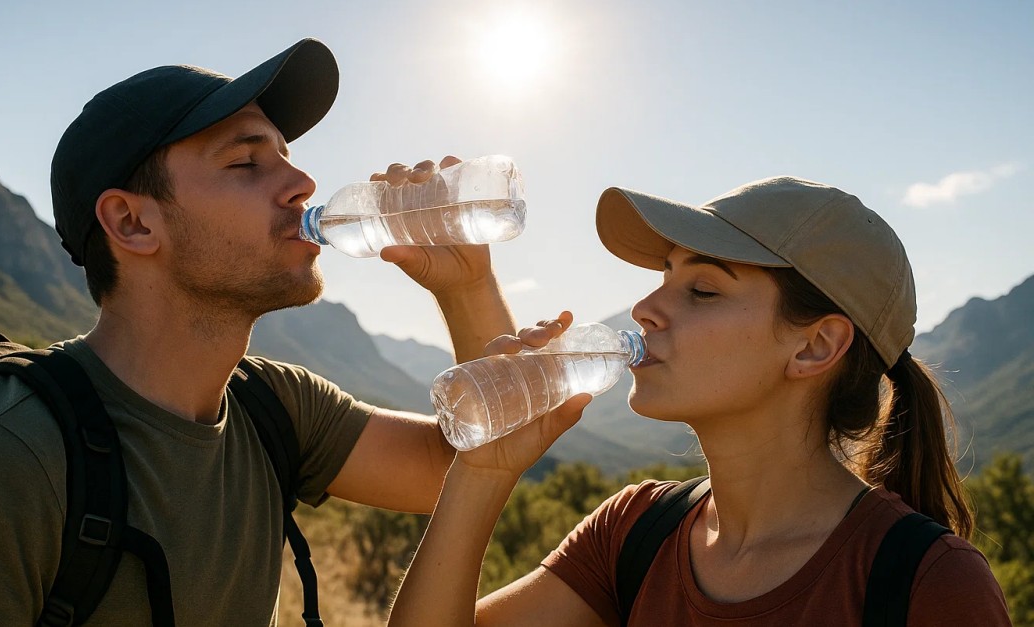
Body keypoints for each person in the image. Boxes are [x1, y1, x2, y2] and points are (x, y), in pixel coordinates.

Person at [0, 39, 517, 625]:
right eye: (245, 162)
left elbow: (470, 459)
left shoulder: (274, 408)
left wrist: (466, 287)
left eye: (286, 157)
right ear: (132, 223)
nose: (303, 184)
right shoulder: (2, 456)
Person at [388, 176, 1012, 626]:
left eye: (704, 290)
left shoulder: (929, 584)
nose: (643, 308)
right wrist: (482, 472)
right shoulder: (633, 531)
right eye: (665, 276)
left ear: (816, 346)